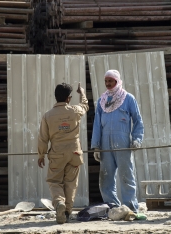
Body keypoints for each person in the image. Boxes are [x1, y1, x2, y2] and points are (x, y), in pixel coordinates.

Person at [91, 69, 144, 213]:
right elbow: (96, 124)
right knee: (106, 178)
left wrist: (137, 139)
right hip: (105, 144)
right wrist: (96, 146)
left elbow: (138, 121)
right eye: (106, 81)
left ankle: (130, 207)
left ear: (117, 81)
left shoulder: (128, 98)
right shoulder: (102, 101)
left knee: (126, 176)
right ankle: (112, 207)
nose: (108, 84)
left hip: (123, 143)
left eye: (111, 81)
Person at [38, 82, 89, 224]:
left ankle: (59, 202)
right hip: (75, 154)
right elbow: (85, 105)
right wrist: (82, 93)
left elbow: (43, 138)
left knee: (54, 181)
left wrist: (41, 155)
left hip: (57, 154)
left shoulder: (47, 116)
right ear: (69, 98)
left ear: (56, 97)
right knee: (71, 183)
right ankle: (67, 212)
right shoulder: (75, 110)